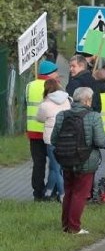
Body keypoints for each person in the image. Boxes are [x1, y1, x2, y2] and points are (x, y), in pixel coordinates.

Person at [52, 87, 105, 234]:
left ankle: (66, 225)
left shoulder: (61, 115)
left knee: (69, 191)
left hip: (65, 159)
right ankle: (74, 228)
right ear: (88, 100)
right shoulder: (94, 116)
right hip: (86, 160)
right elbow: (101, 142)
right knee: (80, 194)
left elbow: (53, 139)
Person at [27, 60, 60, 201]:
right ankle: (51, 191)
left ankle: (37, 193)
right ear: (50, 73)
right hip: (50, 132)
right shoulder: (54, 87)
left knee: (38, 164)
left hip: (33, 132)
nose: (58, 74)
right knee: (54, 164)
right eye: (56, 71)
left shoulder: (30, 86)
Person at [36, 78, 71, 202]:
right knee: (54, 165)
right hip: (65, 138)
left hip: (51, 139)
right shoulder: (67, 100)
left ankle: (62, 195)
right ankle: (49, 190)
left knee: (56, 168)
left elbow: (39, 118)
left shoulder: (45, 104)